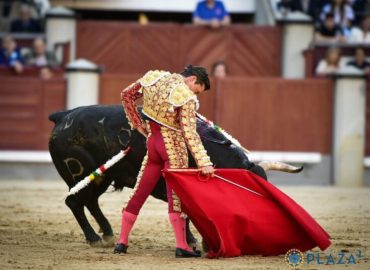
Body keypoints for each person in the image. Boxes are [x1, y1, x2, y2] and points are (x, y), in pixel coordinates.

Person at [114, 66, 215, 258]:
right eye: (197, 90)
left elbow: (126, 95)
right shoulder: (186, 96)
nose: (195, 94)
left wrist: (138, 124)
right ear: (192, 80)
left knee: (139, 191)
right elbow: (189, 133)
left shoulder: (154, 78)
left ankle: (122, 242)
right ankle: (182, 246)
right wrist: (204, 162)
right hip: (173, 148)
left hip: (153, 143)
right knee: (175, 198)